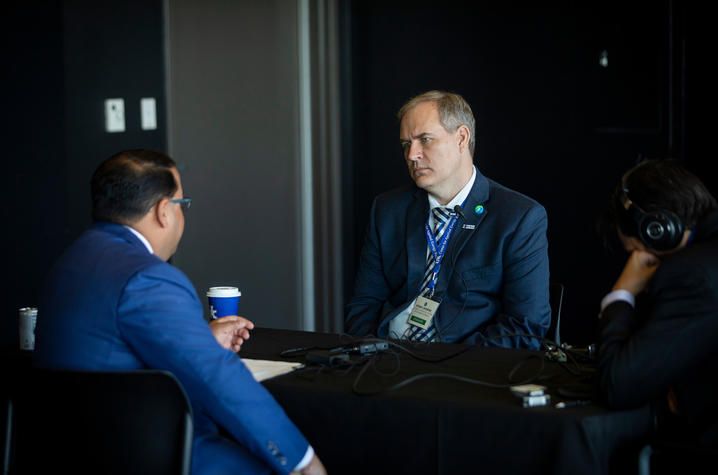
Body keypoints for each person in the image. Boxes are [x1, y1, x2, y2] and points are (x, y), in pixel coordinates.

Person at [33, 150, 326, 475]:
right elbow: (217, 379)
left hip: (61, 447)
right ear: (163, 212)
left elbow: (109, 345)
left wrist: (200, 338)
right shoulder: (148, 277)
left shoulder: (69, 263)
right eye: (182, 205)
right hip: (139, 453)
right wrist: (302, 461)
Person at [345, 90, 550, 348]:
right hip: (389, 362)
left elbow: (525, 327)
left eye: (425, 139)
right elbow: (363, 307)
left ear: (461, 138)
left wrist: (445, 366)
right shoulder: (387, 210)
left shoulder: (519, 218)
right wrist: (373, 357)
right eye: (406, 144)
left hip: (464, 370)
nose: (412, 155)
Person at [596, 158, 718, 448]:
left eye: (638, 253)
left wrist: (621, 293)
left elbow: (619, 385)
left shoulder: (691, 273)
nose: (638, 265)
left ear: (658, 230)